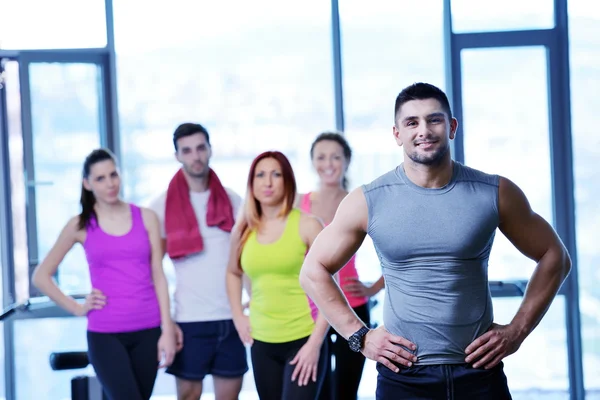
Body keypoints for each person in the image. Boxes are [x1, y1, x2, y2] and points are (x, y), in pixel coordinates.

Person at [299, 82, 572, 399]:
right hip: (404, 376)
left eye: (434, 119)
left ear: (452, 126)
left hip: (478, 371)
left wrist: (517, 331)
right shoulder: (368, 200)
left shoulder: (493, 192)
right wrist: (359, 335)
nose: (423, 130)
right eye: (411, 122)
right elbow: (312, 271)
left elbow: (555, 256)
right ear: (397, 133)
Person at [32, 148, 177, 400]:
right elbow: (41, 275)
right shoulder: (80, 224)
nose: (110, 184)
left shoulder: (147, 217)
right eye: (100, 178)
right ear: (87, 184)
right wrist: (77, 307)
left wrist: (168, 328)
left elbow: (158, 274)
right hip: (105, 335)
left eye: (113, 175)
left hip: (148, 330)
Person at [148, 123, 248, 400]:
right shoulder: (160, 206)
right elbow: (152, 270)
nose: (196, 156)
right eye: (187, 150)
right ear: (177, 155)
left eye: (201, 148)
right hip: (188, 320)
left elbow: (246, 259)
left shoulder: (232, 199)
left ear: (210, 150)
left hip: (231, 318)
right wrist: (166, 324)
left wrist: (251, 305)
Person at [226, 150, 329, 400]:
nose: (268, 182)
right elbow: (232, 272)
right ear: (252, 183)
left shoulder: (308, 224)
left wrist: (315, 344)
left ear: (287, 181)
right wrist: (238, 316)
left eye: (276, 174)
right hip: (262, 342)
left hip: (304, 339)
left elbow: (332, 289)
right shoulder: (242, 230)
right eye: (260, 175)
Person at [298, 132, 384, 400]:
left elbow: (395, 250)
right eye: (321, 157)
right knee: (318, 391)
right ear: (312, 162)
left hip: (353, 308)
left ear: (347, 161)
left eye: (336, 157)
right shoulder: (299, 203)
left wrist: (372, 289)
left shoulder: (359, 201)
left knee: (346, 391)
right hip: (312, 310)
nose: (328, 163)